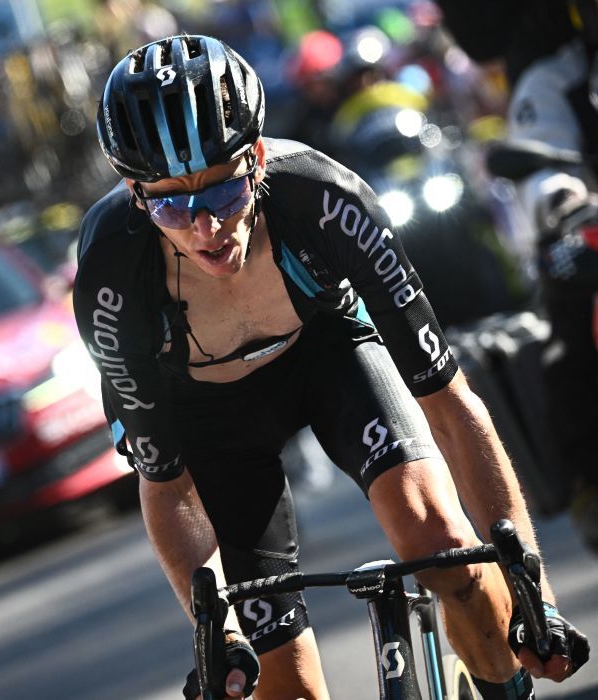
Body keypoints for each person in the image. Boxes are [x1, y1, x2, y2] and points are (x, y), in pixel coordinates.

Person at [73, 34, 590, 699]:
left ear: (256, 160)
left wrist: (534, 592)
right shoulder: (113, 275)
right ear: (136, 194)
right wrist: (220, 631)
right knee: (283, 686)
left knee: (442, 544)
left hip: (331, 356)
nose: (206, 228)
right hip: (208, 417)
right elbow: (166, 485)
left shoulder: (323, 199)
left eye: (224, 195)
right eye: (174, 205)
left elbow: (451, 405)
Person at [436, 0, 598, 553]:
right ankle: (589, 483)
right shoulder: (559, 73)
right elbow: (544, 160)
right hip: (589, 237)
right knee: (573, 334)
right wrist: (566, 206)